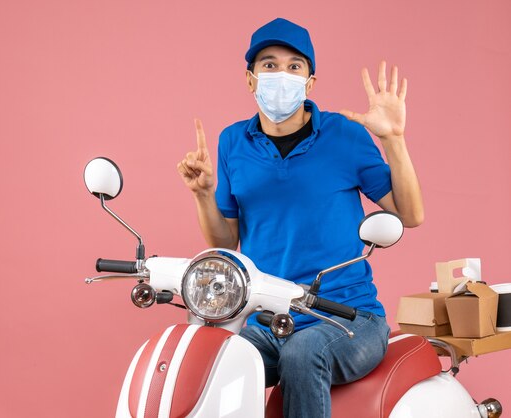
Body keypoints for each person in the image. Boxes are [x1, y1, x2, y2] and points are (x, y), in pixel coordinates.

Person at [177, 17, 423, 418]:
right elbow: (225, 243)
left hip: (350, 318)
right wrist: (203, 195)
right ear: (250, 79)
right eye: (269, 65)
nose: (281, 75)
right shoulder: (232, 142)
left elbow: (410, 214)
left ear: (309, 83)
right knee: (215, 358)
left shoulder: (345, 135)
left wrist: (393, 139)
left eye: (294, 67)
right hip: (267, 319)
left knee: (303, 353)